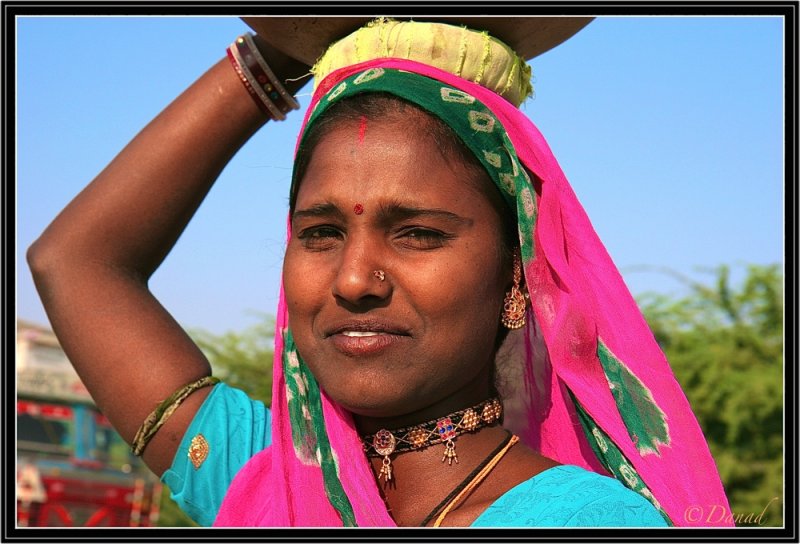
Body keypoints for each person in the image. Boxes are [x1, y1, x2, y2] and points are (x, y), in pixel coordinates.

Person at [27, 17, 732, 527]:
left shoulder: (582, 522)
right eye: (321, 233)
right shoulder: (271, 482)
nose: (354, 279)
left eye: (419, 234)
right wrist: (293, 46)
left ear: (518, 279)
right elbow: (74, 263)